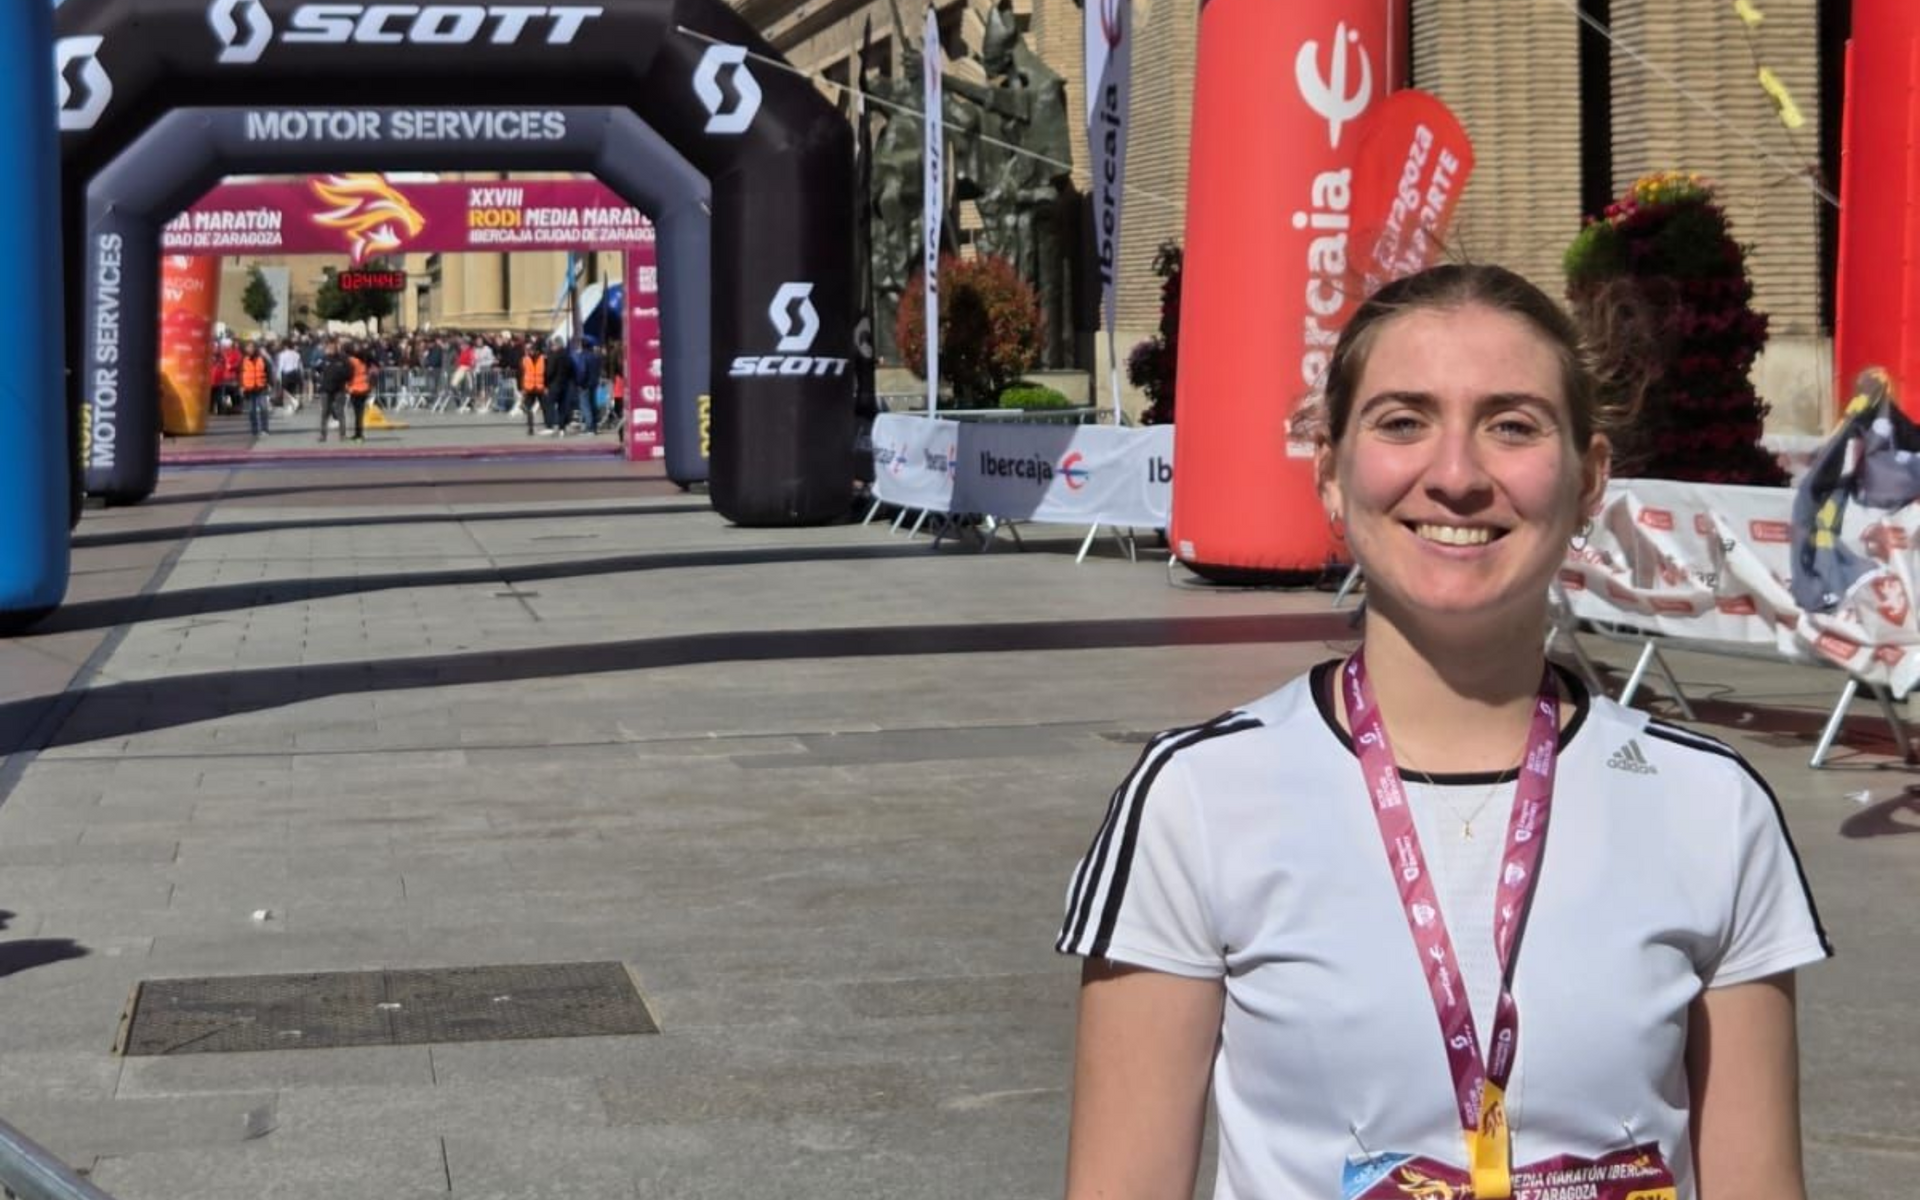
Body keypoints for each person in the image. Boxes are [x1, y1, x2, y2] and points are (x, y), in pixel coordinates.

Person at [1057, 264, 1830, 1200]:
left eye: (1512, 425)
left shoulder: (1710, 805)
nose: (1457, 475)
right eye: (1402, 422)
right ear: (1330, 470)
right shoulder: (1198, 797)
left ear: (1589, 479)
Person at [317, 339, 351, 443]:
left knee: (340, 412)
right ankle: (323, 435)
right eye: (330, 348)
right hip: (326, 390)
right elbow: (317, 369)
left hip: (339, 389)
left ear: (337, 348)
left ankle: (342, 435)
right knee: (324, 413)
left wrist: (342, 378)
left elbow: (349, 373)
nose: (332, 349)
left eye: (334, 348)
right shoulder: (323, 359)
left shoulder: (343, 359)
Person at [239, 340, 273, 436]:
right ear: (245, 349)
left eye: (252, 347)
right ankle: (254, 429)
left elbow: (268, 371)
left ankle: (264, 429)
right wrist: (241, 386)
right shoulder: (243, 360)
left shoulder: (262, 359)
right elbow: (240, 374)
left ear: (255, 348)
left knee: (264, 408)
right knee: (251, 410)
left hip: (261, 387)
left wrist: (270, 384)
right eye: (248, 347)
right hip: (249, 388)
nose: (250, 349)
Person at [345, 341, 374, 442]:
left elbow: (348, 374)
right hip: (364, 388)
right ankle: (359, 434)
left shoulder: (351, 361)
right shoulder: (364, 361)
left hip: (355, 388)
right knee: (360, 413)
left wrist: (346, 386)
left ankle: (358, 435)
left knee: (357, 413)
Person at [519, 341, 546, 435]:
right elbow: (521, 375)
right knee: (527, 407)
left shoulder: (542, 358)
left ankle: (548, 425)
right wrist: (522, 388)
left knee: (545, 407)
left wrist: (546, 386)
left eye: (531, 350)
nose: (530, 351)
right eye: (529, 350)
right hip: (529, 388)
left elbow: (546, 373)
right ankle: (530, 427)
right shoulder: (525, 360)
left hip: (539, 387)